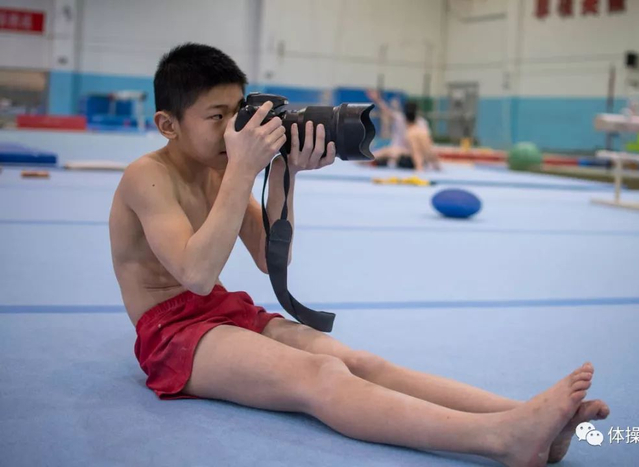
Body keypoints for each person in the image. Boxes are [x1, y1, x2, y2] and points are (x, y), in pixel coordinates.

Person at [109, 43, 609, 467]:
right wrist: (243, 170)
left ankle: (522, 415)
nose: (234, 130)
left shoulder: (221, 169)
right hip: (172, 333)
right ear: (168, 125)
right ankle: (501, 439)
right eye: (217, 117)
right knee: (320, 376)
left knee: (355, 360)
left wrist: (285, 173)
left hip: (223, 312)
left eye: (239, 113)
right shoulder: (147, 176)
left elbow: (268, 257)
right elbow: (196, 274)